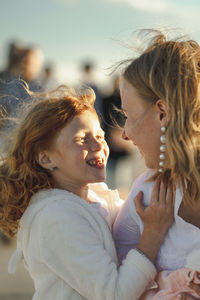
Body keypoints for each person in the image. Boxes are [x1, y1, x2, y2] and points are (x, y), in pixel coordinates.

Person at [0, 85, 175, 300]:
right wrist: (153, 233)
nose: (98, 146)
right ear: (46, 158)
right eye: (83, 139)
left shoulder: (94, 198)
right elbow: (115, 293)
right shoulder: (55, 217)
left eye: (100, 137)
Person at [113, 29, 200, 299]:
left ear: (162, 112)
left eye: (128, 114)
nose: (124, 133)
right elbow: (116, 281)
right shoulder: (145, 193)